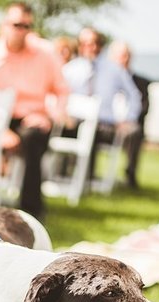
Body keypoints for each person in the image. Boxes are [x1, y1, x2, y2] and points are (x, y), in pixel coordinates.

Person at [0, 2, 68, 218]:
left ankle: (30, 211)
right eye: (16, 24)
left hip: (31, 118)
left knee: (34, 138)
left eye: (26, 26)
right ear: (3, 25)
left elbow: (62, 89)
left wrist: (52, 115)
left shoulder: (45, 54)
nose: (21, 31)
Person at [62, 27, 141, 186]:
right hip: (74, 123)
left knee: (132, 132)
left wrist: (127, 118)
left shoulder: (114, 69)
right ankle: (63, 176)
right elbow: (58, 93)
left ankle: (91, 179)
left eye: (94, 43)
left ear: (101, 44)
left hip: (104, 125)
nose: (89, 47)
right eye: (84, 43)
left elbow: (133, 95)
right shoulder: (71, 69)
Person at [107, 39, 150, 189]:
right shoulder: (105, 80)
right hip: (107, 124)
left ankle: (130, 176)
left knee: (134, 132)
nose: (124, 59)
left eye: (127, 55)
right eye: (120, 55)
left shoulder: (141, 82)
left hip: (129, 125)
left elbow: (143, 107)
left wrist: (127, 121)